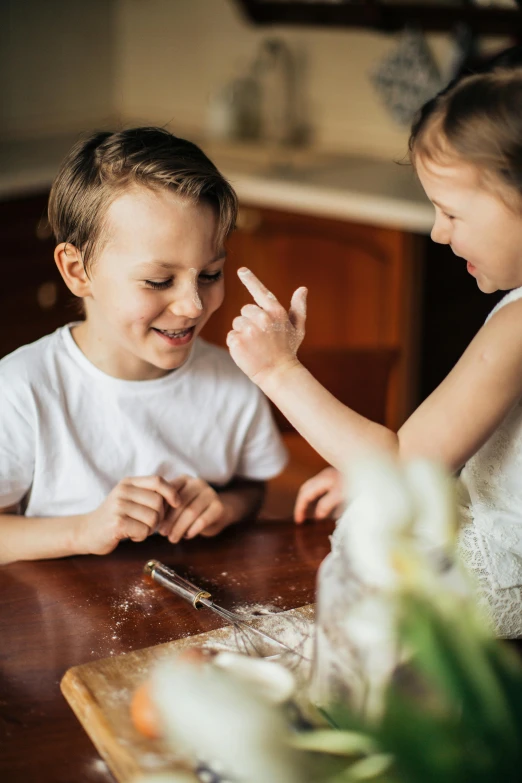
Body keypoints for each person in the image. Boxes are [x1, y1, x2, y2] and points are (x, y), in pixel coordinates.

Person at [226, 69, 522, 638]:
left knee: (364, 541)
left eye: (452, 213)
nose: (437, 232)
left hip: (493, 595)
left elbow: (399, 466)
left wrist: (278, 370)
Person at [0, 128, 286, 565]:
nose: (192, 305)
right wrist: (83, 530)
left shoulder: (233, 378)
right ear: (78, 271)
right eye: (158, 281)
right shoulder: (22, 389)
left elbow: (252, 487)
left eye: (209, 274)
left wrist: (224, 507)